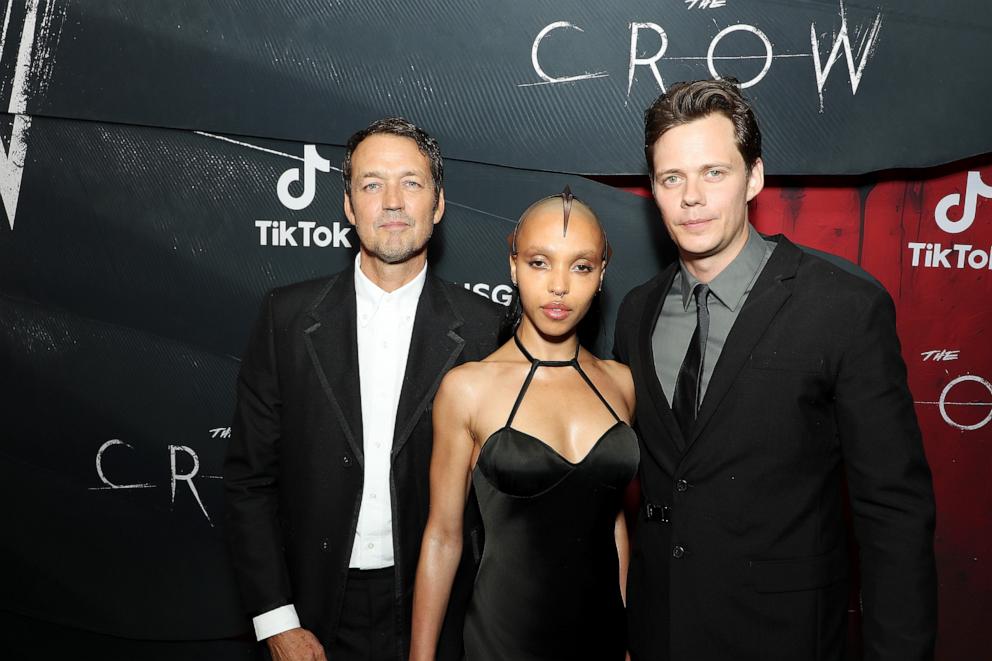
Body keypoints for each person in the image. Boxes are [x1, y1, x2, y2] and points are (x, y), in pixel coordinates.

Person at [613, 78, 937, 660]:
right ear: (654, 190)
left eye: (714, 172)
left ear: (754, 177)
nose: (692, 197)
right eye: (671, 178)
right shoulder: (637, 311)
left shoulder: (843, 306)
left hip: (785, 636)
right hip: (660, 632)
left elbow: (893, 513)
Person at [224, 117, 504, 661]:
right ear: (350, 207)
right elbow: (248, 481)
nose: (393, 201)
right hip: (315, 608)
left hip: (444, 611)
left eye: (412, 183)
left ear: (439, 204)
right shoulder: (287, 317)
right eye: (373, 184)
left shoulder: (488, 330)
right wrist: (277, 621)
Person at [409, 188, 638, 661]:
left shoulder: (621, 384)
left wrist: (626, 637)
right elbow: (443, 535)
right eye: (540, 262)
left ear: (601, 276)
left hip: (602, 638)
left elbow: (612, 520)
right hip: (505, 640)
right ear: (513, 265)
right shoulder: (468, 388)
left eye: (580, 266)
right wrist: (421, 656)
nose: (559, 285)